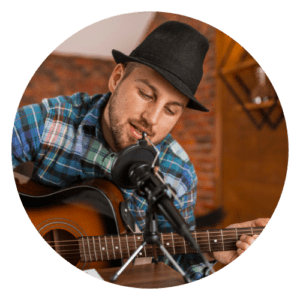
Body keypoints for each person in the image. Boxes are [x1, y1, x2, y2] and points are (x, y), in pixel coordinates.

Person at [11, 21, 269, 282]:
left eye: (171, 110)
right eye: (146, 94)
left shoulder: (178, 173)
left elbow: (179, 266)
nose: (152, 119)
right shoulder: (51, 120)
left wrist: (213, 253)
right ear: (116, 78)